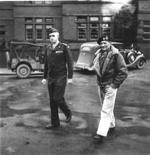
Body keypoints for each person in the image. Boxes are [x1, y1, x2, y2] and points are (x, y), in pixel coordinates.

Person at [93, 36, 128, 143]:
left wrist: (114, 85)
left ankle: (101, 133)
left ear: (110, 43)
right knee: (106, 106)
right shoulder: (98, 54)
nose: (103, 45)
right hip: (101, 85)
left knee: (105, 109)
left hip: (110, 85)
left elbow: (123, 72)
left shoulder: (116, 54)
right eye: (101, 43)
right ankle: (111, 125)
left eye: (105, 43)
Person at [41, 27, 73, 129]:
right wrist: (44, 77)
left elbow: (70, 63)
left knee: (58, 98)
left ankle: (68, 112)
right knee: (52, 101)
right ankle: (55, 123)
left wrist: (70, 77)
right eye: (50, 36)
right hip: (51, 77)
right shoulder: (48, 48)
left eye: (53, 36)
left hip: (61, 76)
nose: (51, 37)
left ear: (58, 36)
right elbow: (46, 64)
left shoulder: (64, 47)